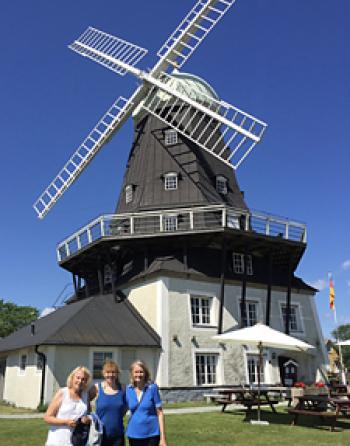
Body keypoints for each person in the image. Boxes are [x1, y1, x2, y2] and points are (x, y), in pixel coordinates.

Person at [44, 366, 92, 446]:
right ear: (72, 378)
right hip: (58, 441)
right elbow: (47, 418)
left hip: (78, 441)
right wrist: (66, 422)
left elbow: (89, 415)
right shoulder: (62, 393)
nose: (80, 381)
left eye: (83, 379)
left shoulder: (85, 396)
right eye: (78, 378)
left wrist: (87, 419)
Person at [125, 360, 167, 446]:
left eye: (141, 372)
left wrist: (163, 438)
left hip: (151, 434)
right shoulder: (128, 389)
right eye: (136, 372)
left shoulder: (152, 388)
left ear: (145, 373)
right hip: (134, 434)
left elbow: (160, 413)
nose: (138, 374)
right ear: (132, 374)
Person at [90, 360, 126, 446]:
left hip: (118, 435)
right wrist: (90, 416)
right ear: (103, 373)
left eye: (113, 372)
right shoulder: (97, 388)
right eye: (108, 372)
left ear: (117, 374)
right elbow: (85, 401)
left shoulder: (123, 388)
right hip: (100, 434)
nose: (110, 375)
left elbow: (127, 406)